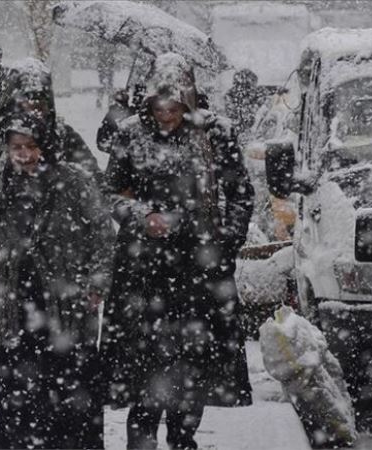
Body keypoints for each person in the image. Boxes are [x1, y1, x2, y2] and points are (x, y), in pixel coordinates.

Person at [102, 53, 255, 449]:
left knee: (193, 368)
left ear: (188, 101)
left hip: (199, 270)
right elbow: (110, 193)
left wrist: (225, 244)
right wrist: (142, 214)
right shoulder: (131, 134)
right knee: (144, 369)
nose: (166, 116)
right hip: (142, 269)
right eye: (159, 107)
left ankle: (183, 438)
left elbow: (240, 193)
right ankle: (142, 439)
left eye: (174, 108)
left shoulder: (215, 133)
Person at [0, 113, 114, 449]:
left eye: (30, 146)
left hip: (63, 304)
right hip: (9, 303)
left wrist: (97, 281)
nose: (24, 154)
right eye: (16, 147)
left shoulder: (73, 182)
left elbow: (102, 232)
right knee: (10, 396)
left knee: (65, 391)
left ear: (46, 146)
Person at [0, 58, 100, 348]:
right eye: (26, 101)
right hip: (4, 271)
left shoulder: (65, 139)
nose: (33, 110)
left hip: (58, 270)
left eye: (39, 103)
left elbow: (96, 196)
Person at [224, 68, 265, 142]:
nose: (253, 89)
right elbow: (236, 119)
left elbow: (265, 89)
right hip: (237, 137)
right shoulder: (230, 97)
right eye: (251, 86)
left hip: (246, 133)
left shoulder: (253, 93)